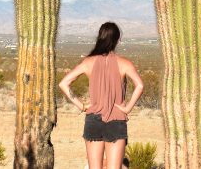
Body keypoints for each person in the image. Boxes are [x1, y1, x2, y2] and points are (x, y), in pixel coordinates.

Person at [59, 21, 145, 169]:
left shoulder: (88, 62)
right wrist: (127, 108)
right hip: (116, 121)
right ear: (117, 40)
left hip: (93, 120)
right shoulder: (125, 63)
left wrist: (82, 106)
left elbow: (63, 83)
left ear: (100, 37)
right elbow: (140, 85)